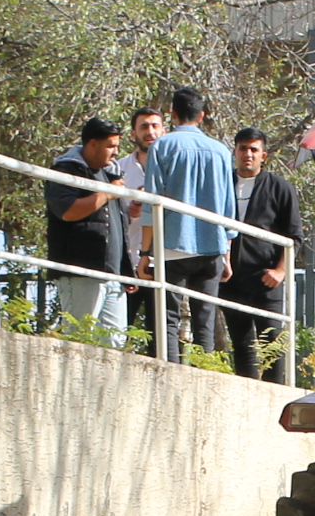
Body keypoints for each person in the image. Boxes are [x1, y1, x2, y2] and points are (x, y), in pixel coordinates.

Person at [144, 85, 236, 362]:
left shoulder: (162, 146)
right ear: (202, 115)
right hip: (212, 244)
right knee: (204, 319)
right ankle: (205, 370)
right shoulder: (220, 151)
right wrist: (227, 253)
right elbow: (228, 206)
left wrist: (145, 251)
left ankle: (171, 372)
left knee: (168, 318)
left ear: (173, 114)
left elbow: (152, 201)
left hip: (173, 242)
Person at [218, 127, 298, 379]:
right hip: (230, 280)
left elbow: (294, 237)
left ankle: (277, 402)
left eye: (254, 149)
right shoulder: (222, 183)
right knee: (242, 347)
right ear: (235, 151)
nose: (248, 154)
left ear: (264, 155)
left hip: (266, 280)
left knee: (272, 346)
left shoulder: (280, 187)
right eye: (243, 148)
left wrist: (281, 270)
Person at [40, 116, 123, 329]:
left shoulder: (110, 174)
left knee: (115, 342)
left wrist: (127, 270)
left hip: (113, 274)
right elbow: (67, 211)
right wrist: (106, 194)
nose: (116, 152)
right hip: (80, 272)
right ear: (93, 143)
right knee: (80, 335)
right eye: (111, 146)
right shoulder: (65, 170)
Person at [112, 106, 162, 348]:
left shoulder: (173, 169)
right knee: (120, 331)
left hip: (163, 262)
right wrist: (129, 210)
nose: (149, 132)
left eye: (154, 126)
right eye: (144, 126)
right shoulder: (117, 168)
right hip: (127, 261)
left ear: (163, 131)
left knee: (161, 336)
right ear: (133, 134)